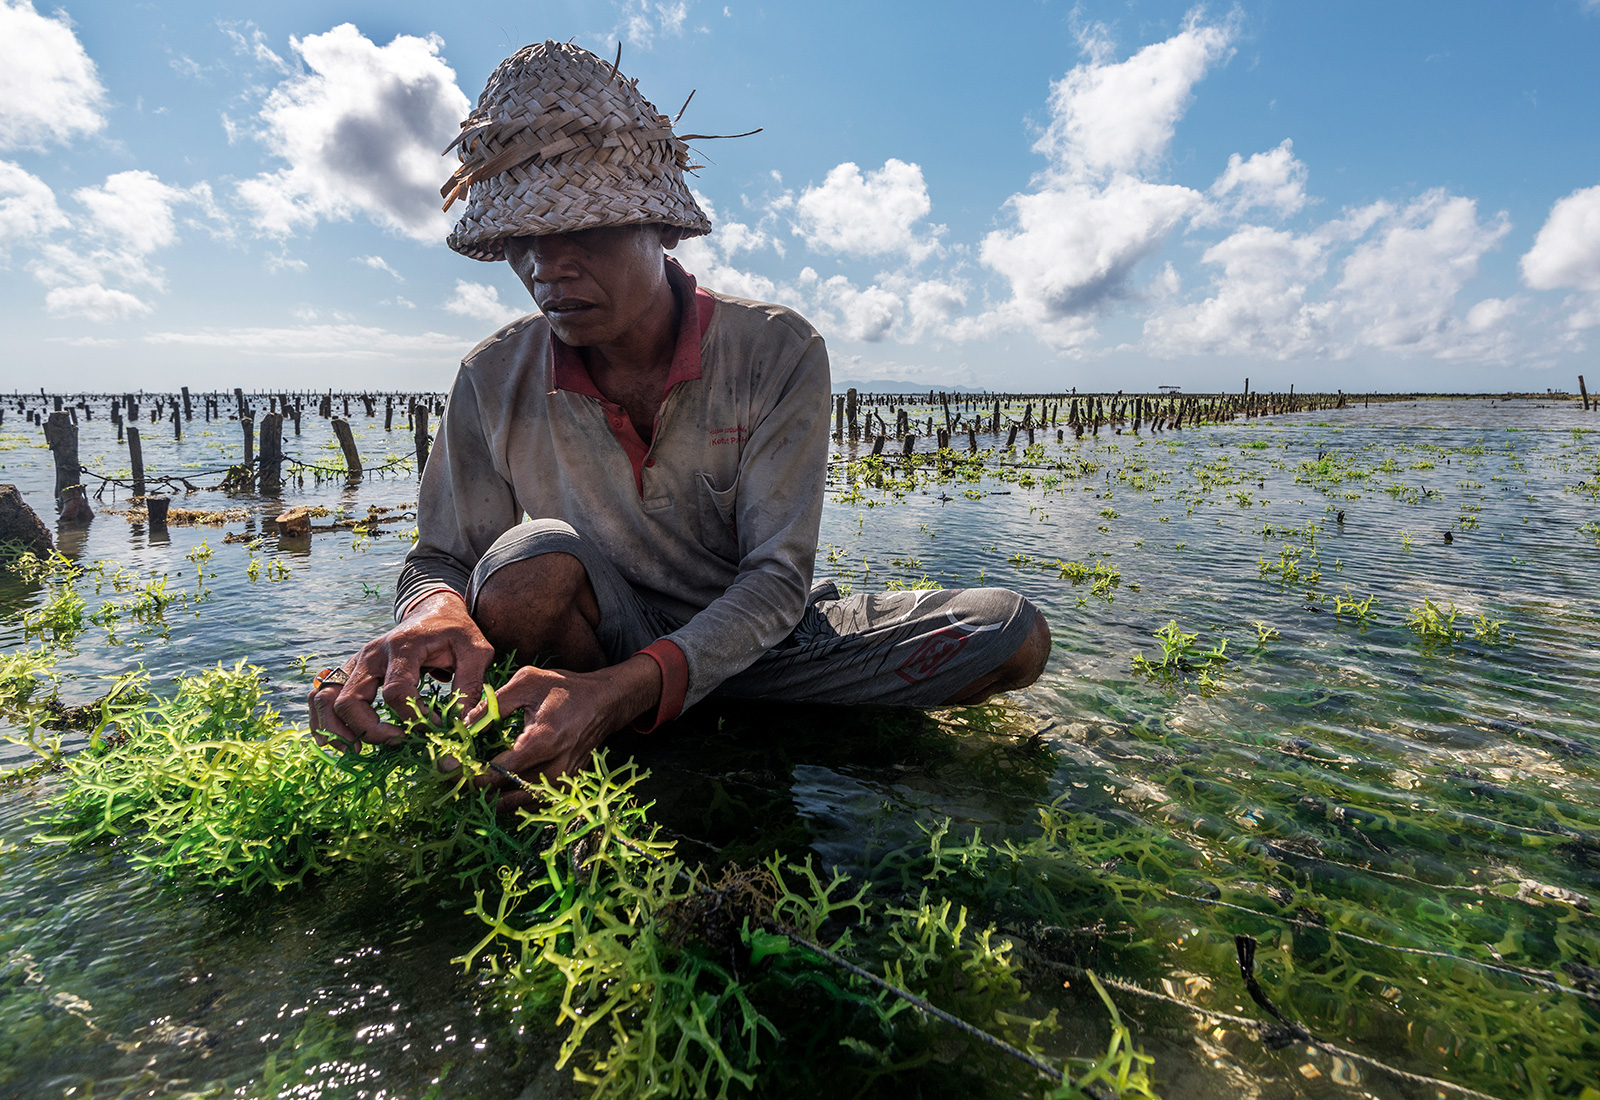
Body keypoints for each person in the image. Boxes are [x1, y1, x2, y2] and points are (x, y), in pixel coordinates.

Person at [308, 41, 1050, 808]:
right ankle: (596, 714)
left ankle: (627, 713)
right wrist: (431, 614)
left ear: (660, 228)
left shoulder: (777, 349)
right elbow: (441, 557)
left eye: (583, 232)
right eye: (522, 243)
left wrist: (630, 689)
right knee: (526, 562)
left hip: (759, 642)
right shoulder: (491, 376)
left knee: (1007, 633)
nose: (546, 267)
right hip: (601, 635)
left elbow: (774, 581)